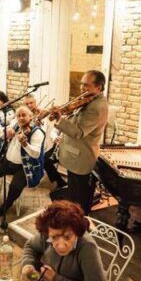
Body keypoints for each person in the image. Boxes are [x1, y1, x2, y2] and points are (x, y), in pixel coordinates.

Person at [49, 71, 108, 214]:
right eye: (82, 84)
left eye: (86, 85)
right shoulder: (88, 100)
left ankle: (79, 223)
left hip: (81, 160)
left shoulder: (96, 107)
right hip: (74, 157)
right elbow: (75, 119)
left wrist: (59, 119)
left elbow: (78, 132)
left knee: (79, 203)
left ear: (99, 87)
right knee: (73, 197)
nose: (82, 88)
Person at [0, 106, 45, 217]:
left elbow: (36, 154)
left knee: (15, 186)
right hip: (7, 163)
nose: (21, 118)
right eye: (19, 116)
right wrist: (4, 131)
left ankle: (5, 206)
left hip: (24, 167)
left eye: (24, 115)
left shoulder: (37, 132)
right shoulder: (15, 125)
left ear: (30, 117)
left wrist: (25, 144)